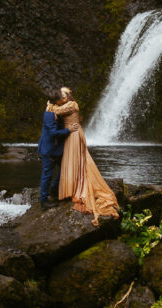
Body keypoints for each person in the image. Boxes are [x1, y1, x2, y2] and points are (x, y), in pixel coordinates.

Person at [48, 86, 120, 225]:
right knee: (72, 161)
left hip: (74, 135)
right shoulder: (66, 104)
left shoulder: (72, 104)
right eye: (61, 95)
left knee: (77, 160)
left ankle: (78, 188)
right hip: (70, 134)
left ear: (69, 96)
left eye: (64, 94)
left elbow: (57, 110)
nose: (62, 97)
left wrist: (50, 105)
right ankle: (73, 187)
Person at [37, 90, 76, 209]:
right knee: (47, 175)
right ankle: (43, 201)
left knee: (65, 167)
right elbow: (53, 133)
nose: (64, 100)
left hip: (56, 149)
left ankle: (54, 190)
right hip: (49, 150)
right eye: (62, 98)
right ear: (57, 101)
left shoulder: (55, 108)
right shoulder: (49, 113)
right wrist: (68, 130)